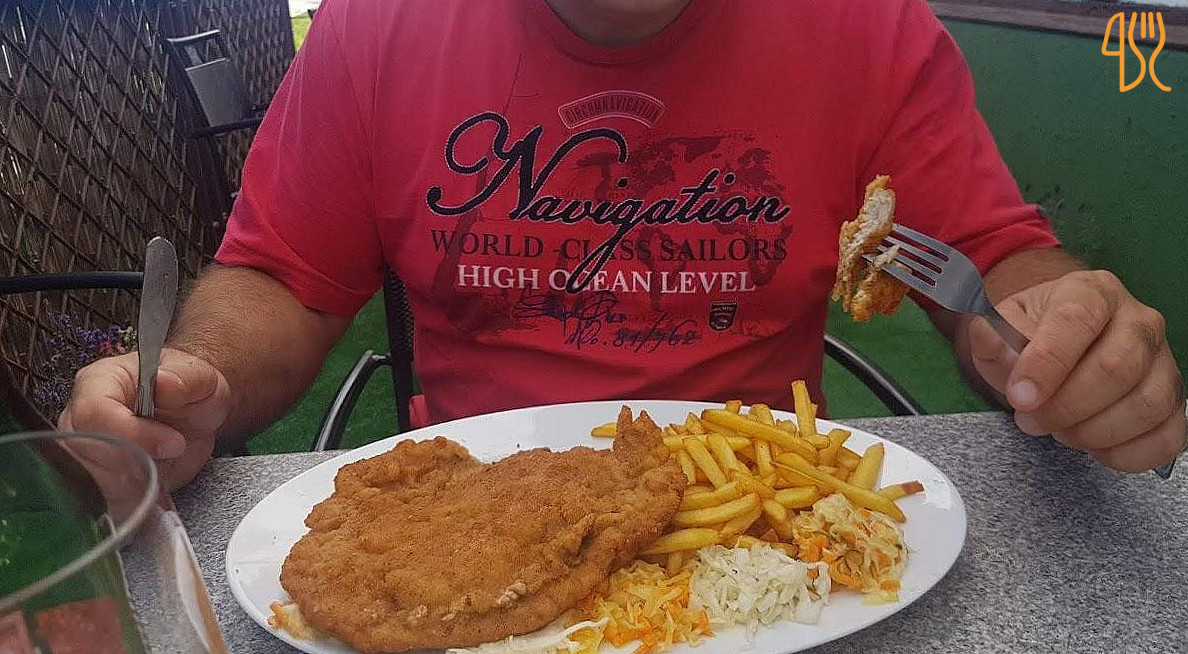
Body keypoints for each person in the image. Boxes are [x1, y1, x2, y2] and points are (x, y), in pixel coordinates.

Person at [60, 0, 1184, 489]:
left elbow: (991, 256)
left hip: (761, 516)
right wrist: (190, 380)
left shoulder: (868, 27)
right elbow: (281, 279)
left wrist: (1055, 336)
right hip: (473, 498)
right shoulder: (375, 28)